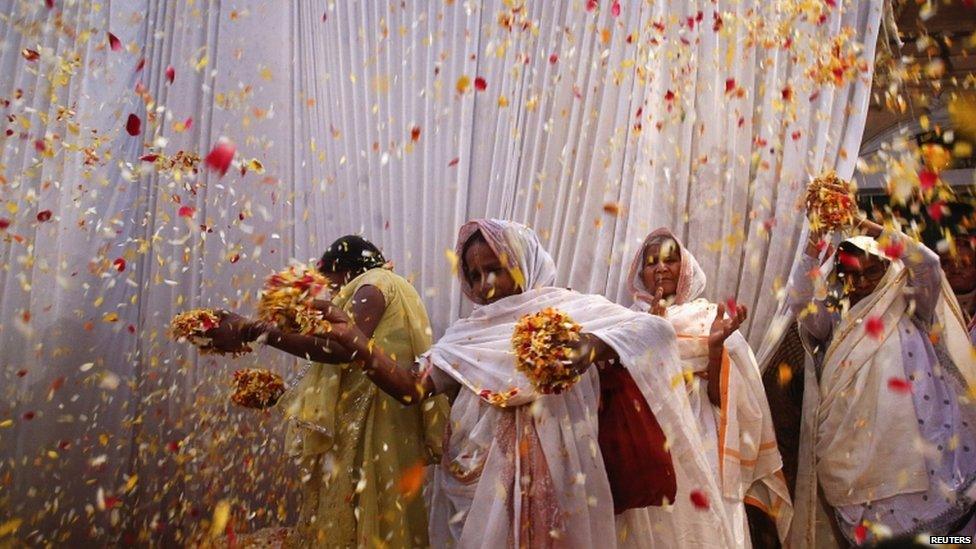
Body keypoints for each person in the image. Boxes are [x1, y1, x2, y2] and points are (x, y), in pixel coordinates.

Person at [315, 219, 736, 547]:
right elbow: (413, 388)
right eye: (475, 275)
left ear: (523, 262)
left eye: (495, 269)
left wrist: (591, 346)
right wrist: (357, 345)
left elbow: (654, 334)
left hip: (567, 482)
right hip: (480, 484)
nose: (484, 285)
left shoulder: (571, 309)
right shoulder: (468, 332)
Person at [208, 235, 448, 548]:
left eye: (333, 285)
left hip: (373, 415)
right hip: (382, 411)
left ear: (345, 271)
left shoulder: (373, 283)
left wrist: (254, 330)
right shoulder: (390, 285)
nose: (333, 294)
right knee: (376, 507)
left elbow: (340, 348)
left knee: (367, 506)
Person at [786, 213, 976, 546]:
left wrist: (867, 227)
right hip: (853, 469)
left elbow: (928, 262)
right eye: (851, 274)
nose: (860, 283)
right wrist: (812, 250)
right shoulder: (835, 322)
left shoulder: (913, 307)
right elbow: (799, 300)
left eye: (871, 271)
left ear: (888, 269)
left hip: (919, 466)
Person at [625, 227, 792, 547]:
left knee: (706, 526)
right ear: (639, 273)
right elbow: (628, 393)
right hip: (652, 444)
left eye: (670, 260)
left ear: (685, 267)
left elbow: (721, 398)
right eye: (651, 262)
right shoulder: (625, 323)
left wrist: (715, 349)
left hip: (703, 438)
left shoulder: (709, 317)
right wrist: (652, 334)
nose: (661, 268)